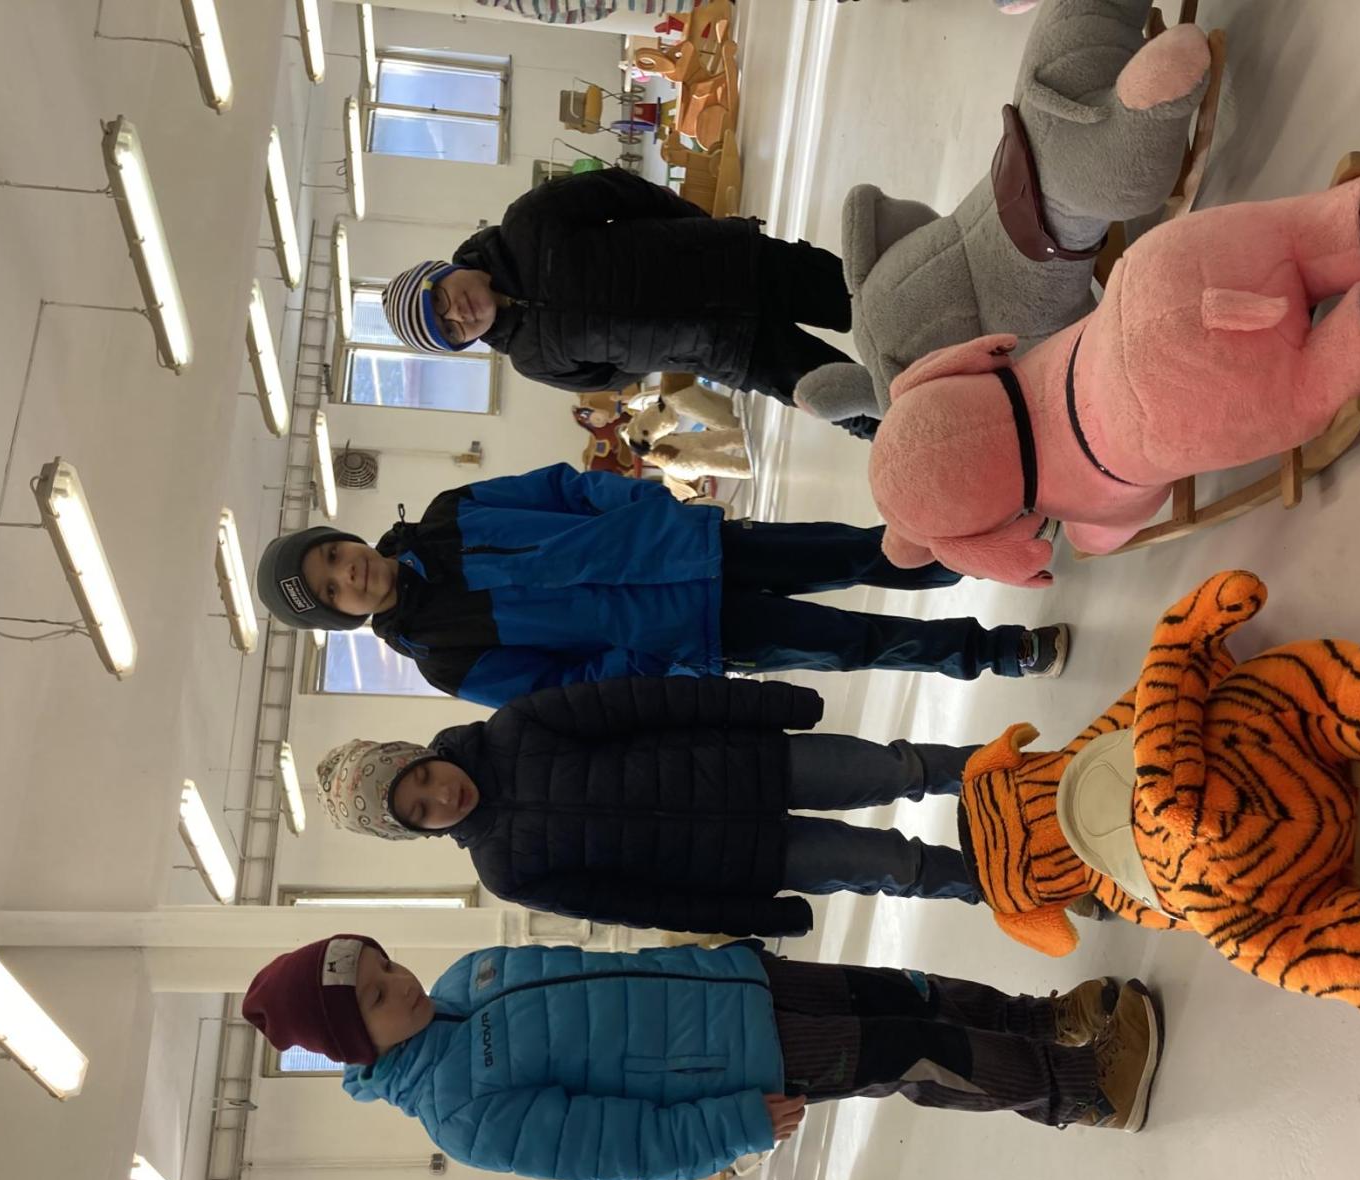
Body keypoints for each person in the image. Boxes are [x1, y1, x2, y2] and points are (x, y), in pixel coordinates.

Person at [239, 933, 1168, 1180]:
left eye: (382, 966)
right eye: (374, 999)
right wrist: (728, 1129)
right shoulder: (461, 1115)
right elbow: (612, 1147)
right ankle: (1082, 1090)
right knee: (919, 1052)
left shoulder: (465, 974)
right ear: (356, 1045)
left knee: (907, 990)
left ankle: (1046, 1022)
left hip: (740, 981)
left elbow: (612, 969)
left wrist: (710, 956)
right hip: (744, 1059)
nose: (398, 984)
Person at [253, 462, 1068, 707]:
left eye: (332, 556)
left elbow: (565, 488)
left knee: (857, 551)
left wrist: (645, 506)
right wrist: (642, 662)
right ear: (341, 615)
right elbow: (559, 688)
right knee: (855, 643)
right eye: (333, 591)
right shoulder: (443, 656)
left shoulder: (447, 513)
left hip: (689, 547)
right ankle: (994, 652)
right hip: (689, 634)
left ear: (341, 539)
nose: (347, 573)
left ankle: (988, 548)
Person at [313, 675, 986, 936]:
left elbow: (654, 700)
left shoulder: (517, 726)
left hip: (757, 763)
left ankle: (1006, 774)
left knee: (900, 769)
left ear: (421, 755)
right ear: (420, 833)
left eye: (423, 778)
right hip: (751, 861)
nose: (442, 796)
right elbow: (643, 905)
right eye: (421, 812)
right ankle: (1006, 880)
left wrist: (768, 703)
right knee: (897, 867)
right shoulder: (505, 871)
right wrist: (756, 916)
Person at [380, 166, 872, 436]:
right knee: (855, 405)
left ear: (441, 271)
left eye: (440, 301)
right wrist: (672, 345)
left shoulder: (529, 222)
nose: (458, 314)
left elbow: (623, 191)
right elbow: (614, 376)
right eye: (450, 331)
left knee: (869, 296)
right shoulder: (532, 359)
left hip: (742, 265)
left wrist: (699, 235)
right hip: (732, 354)